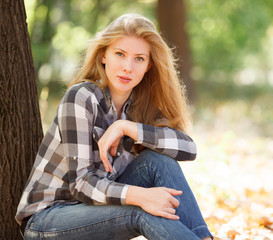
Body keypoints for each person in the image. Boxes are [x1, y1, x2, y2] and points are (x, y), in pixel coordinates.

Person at [15, 13, 213, 240]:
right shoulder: (81, 97)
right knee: (140, 209)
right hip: (48, 220)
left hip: (98, 210)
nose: (128, 67)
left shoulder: (140, 108)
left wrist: (126, 127)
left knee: (159, 162)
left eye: (139, 58)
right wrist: (140, 196)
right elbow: (81, 185)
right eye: (120, 54)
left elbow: (189, 149)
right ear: (103, 56)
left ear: (149, 66)